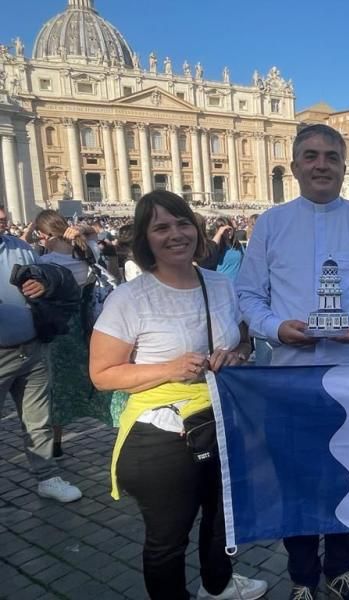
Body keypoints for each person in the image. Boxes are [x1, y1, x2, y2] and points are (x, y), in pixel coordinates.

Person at [236, 123, 349, 600]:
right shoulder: (270, 224)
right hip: (290, 377)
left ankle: (341, 567)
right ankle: (303, 576)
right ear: (295, 166)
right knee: (297, 480)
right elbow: (248, 294)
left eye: (331, 155)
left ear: (345, 165)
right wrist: (274, 328)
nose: (321, 164)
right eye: (311, 155)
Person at [89, 191, 265, 600]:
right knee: (168, 539)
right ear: (146, 239)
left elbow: (242, 341)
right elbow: (101, 374)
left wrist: (236, 355)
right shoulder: (128, 298)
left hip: (221, 422)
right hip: (161, 434)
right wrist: (168, 369)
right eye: (161, 227)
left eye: (182, 223)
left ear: (196, 229)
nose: (175, 234)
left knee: (222, 520)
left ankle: (217, 585)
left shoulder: (221, 284)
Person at [0, 205, 83, 503]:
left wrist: (44, 282)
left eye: (4, 218)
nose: (2, 222)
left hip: (31, 348)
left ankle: (47, 476)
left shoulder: (20, 247)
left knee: (38, 419)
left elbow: (50, 272)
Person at [33, 210, 115, 456]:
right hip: (88, 326)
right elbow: (94, 233)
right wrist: (79, 232)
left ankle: (55, 444)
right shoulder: (87, 254)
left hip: (60, 332)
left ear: (44, 235)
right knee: (94, 378)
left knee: (57, 387)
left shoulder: (45, 263)